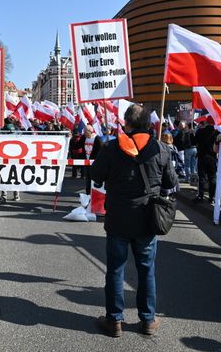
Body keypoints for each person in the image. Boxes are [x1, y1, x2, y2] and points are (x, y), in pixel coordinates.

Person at [90, 104, 178, 337]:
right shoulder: (161, 148)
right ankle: (148, 320)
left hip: (118, 218)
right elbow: (170, 184)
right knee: (146, 270)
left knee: (115, 271)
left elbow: (96, 176)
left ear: (126, 124)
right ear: (149, 125)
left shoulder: (110, 147)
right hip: (147, 219)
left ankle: (114, 320)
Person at [193, 117, 219, 204]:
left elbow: (194, 141)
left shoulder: (200, 131)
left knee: (202, 177)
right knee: (212, 177)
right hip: (212, 157)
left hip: (202, 156)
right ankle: (212, 197)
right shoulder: (217, 133)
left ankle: (200, 195)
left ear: (206, 122)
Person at [80, 125, 101, 195]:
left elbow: (101, 150)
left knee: (94, 178)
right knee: (88, 178)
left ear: (90, 132)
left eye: (86, 132)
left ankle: (95, 192)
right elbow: (76, 145)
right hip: (87, 162)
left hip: (95, 163)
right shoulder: (83, 138)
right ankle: (88, 193)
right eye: (84, 132)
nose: (84, 133)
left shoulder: (97, 139)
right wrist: (70, 138)